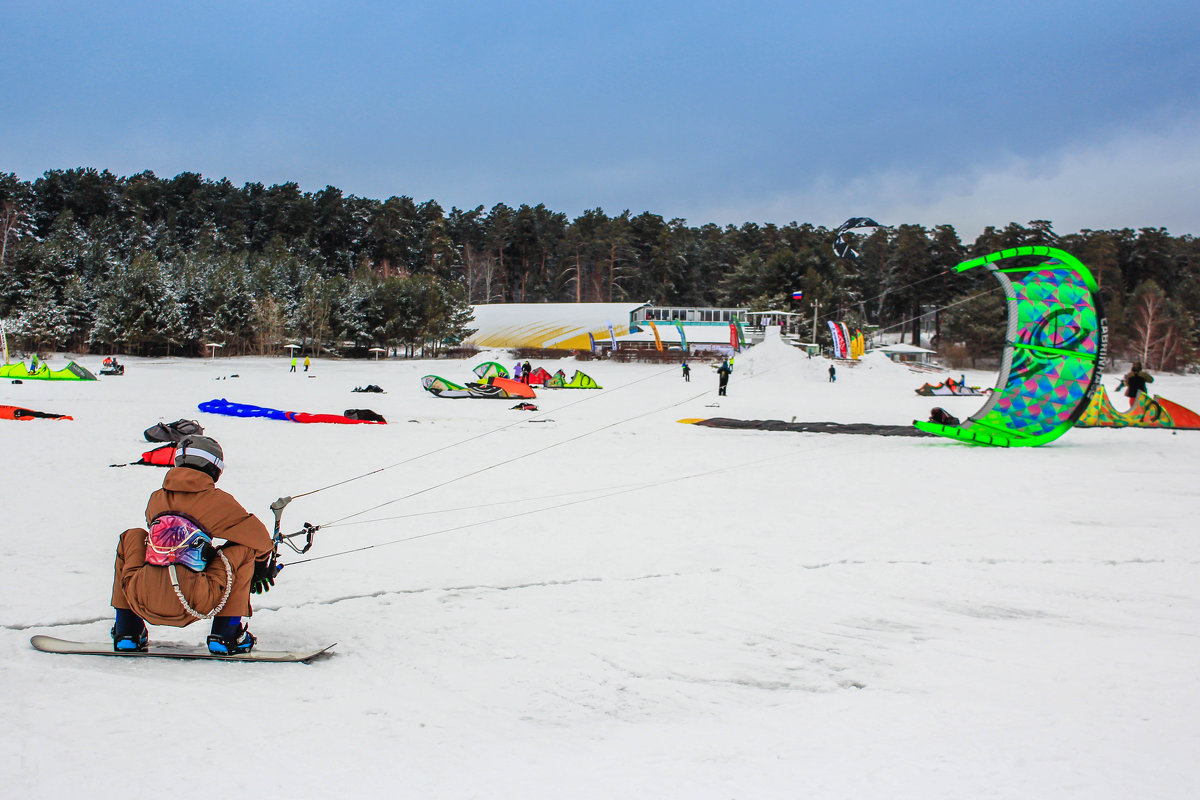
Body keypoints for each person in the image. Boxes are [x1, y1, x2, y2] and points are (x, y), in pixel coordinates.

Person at [109, 435, 279, 654]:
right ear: (214, 468)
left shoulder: (156, 499)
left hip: (139, 597)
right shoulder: (217, 501)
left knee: (132, 537)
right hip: (193, 602)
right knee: (243, 549)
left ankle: (127, 631)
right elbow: (261, 542)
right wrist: (261, 568)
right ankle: (226, 634)